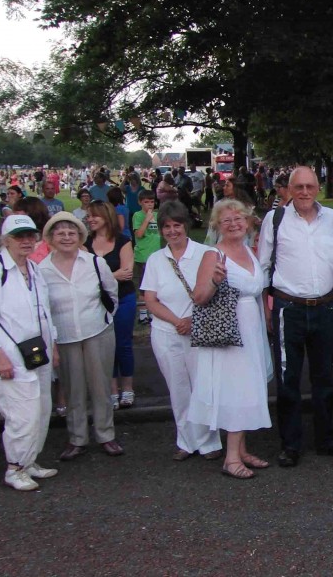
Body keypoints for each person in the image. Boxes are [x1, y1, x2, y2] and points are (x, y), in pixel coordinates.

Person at [258, 167, 333, 467]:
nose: (305, 192)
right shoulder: (275, 221)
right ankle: (291, 444)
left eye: (310, 186)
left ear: (319, 187)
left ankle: (326, 440)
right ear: (289, 188)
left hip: (325, 307)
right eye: (298, 186)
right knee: (288, 381)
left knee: (324, 379)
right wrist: (266, 310)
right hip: (289, 309)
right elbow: (262, 268)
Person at [0, 215, 59, 490]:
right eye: (19, 237)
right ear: (5, 240)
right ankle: (14, 467)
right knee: (22, 414)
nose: (27, 241)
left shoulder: (33, 268)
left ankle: (29, 461)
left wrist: (52, 347)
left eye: (30, 235)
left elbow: (45, 313)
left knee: (41, 409)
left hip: (36, 352)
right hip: (7, 356)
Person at [187, 199, 272, 479]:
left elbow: (257, 292)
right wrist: (214, 280)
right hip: (229, 333)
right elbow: (198, 297)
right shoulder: (213, 255)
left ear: (247, 222)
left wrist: (266, 322)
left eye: (239, 218)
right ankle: (231, 457)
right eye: (227, 221)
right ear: (216, 226)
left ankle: (243, 450)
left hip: (252, 329)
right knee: (237, 391)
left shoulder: (249, 250)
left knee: (249, 388)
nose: (234, 224)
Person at [140, 201, 223, 461]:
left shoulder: (204, 253)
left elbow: (215, 292)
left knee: (203, 386)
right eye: (167, 227)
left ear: (186, 226)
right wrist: (177, 321)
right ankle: (186, 441)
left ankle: (209, 442)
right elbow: (151, 300)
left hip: (199, 329)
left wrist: (191, 320)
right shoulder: (156, 258)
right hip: (166, 332)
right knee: (178, 389)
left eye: (177, 225)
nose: (172, 231)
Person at [38, 212, 124, 461]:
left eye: (71, 233)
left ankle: (106, 435)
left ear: (80, 237)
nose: (66, 237)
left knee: (101, 386)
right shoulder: (41, 270)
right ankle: (77, 438)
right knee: (73, 388)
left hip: (98, 332)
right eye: (60, 233)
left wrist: (104, 320)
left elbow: (112, 294)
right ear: (51, 238)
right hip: (64, 337)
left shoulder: (95, 263)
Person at [85, 200, 137, 409]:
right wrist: (113, 275)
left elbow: (128, 273)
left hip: (123, 299)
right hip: (97, 303)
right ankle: (112, 389)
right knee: (105, 347)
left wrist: (100, 277)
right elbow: (84, 279)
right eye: (88, 216)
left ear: (105, 216)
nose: (89, 220)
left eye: (93, 215)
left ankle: (128, 388)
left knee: (123, 344)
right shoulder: (85, 244)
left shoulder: (123, 241)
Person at [132, 189, 161, 325]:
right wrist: (147, 220)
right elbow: (139, 234)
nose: (150, 205)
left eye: (152, 202)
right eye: (146, 202)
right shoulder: (138, 216)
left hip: (156, 255)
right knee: (144, 287)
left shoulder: (157, 214)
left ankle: (154, 311)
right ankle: (143, 314)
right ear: (140, 203)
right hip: (143, 256)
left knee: (157, 285)